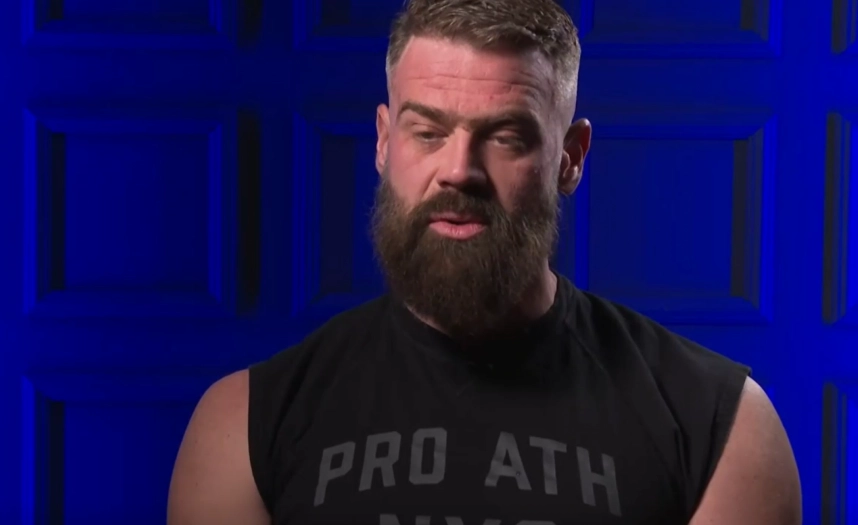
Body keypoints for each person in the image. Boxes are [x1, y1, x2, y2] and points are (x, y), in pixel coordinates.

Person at [167, 0, 802, 523]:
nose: (459, 171)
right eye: (428, 132)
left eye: (505, 137)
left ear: (570, 158)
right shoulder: (243, 427)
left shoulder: (720, 428)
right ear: (384, 142)